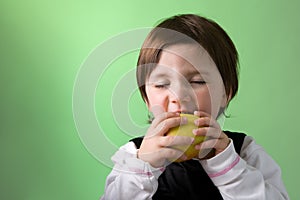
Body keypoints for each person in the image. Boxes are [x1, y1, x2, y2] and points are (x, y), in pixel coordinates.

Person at [100, 14, 289, 200]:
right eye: (161, 84)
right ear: (146, 98)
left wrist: (228, 166)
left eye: (197, 81)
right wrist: (143, 168)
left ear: (226, 93)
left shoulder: (245, 151)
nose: (179, 96)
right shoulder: (135, 154)